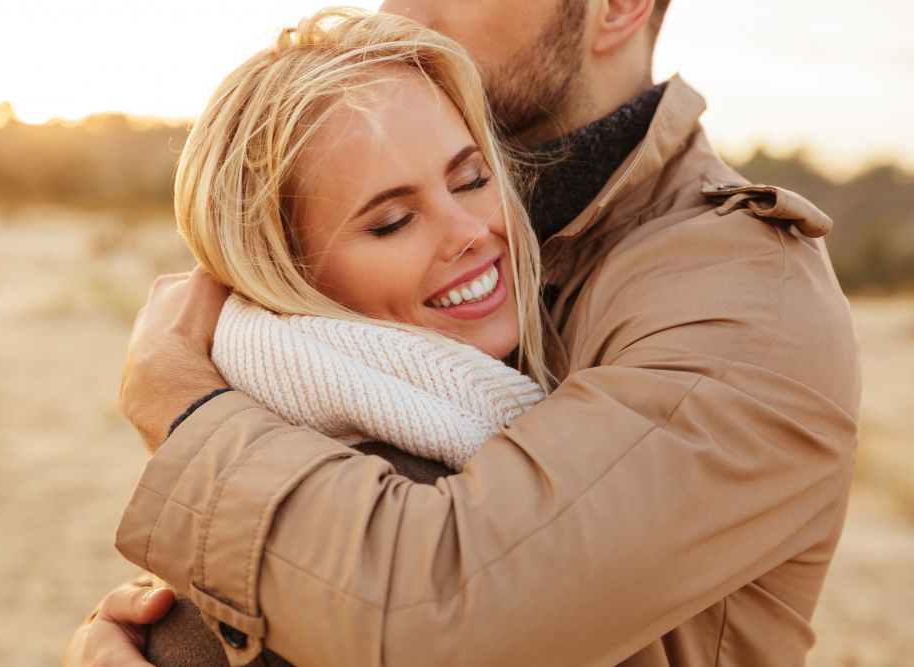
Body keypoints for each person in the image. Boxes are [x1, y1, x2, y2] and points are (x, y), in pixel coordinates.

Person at [65, 0, 861, 666]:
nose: (398, 9)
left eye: (471, 179)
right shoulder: (422, 331)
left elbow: (446, 605)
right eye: (392, 217)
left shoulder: (745, 289)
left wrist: (185, 406)